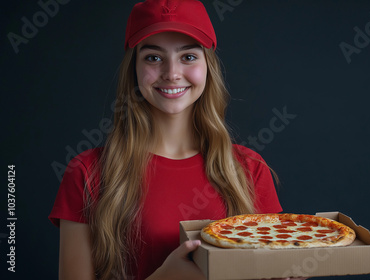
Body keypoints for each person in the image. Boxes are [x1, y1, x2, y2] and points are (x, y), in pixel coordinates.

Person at [49, 0, 306, 279]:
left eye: (188, 56)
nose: (171, 73)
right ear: (133, 67)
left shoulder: (249, 168)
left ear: (208, 66)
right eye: (153, 57)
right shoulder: (86, 173)